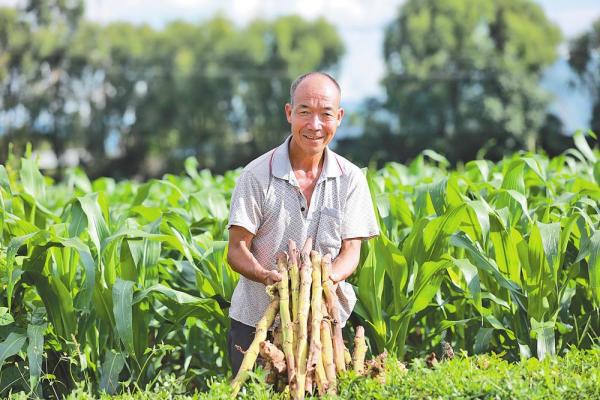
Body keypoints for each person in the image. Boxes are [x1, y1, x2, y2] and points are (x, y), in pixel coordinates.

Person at [226, 71, 379, 376]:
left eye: (325, 114)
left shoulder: (351, 179)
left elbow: (351, 251)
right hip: (258, 323)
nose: (315, 125)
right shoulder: (256, 175)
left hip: (325, 322)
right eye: (304, 112)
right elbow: (236, 249)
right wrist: (265, 275)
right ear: (289, 113)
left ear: (339, 117)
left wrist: (323, 281)